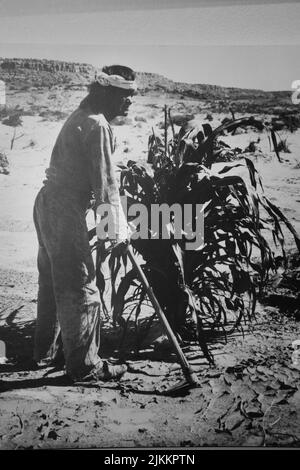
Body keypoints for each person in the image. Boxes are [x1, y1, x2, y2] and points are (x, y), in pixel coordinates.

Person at [33, 65, 136, 382]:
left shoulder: (81, 116)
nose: (130, 103)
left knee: (52, 282)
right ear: (108, 93)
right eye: (126, 96)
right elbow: (106, 184)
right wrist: (114, 231)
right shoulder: (97, 125)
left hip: (46, 203)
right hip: (64, 210)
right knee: (82, 288)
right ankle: (86, 367)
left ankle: (44, 353)